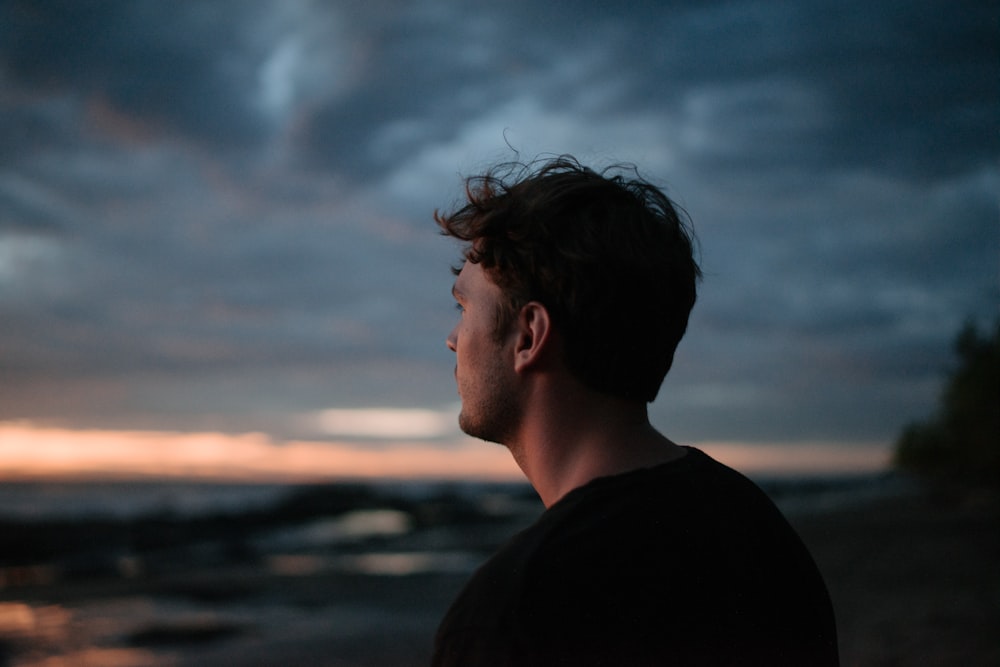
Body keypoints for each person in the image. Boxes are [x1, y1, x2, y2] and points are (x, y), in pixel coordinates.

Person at [430, 156, 838, 666]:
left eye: (464, 308)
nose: (452, 340)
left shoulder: (519, 611)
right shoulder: (758, 532)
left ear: (529, 336)